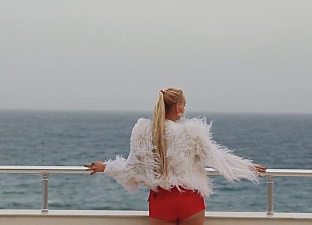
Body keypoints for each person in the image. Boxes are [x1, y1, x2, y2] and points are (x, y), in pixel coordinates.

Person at [85, 87, 267, 225]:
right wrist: (247, 167)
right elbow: (218, 158)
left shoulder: (144, 131)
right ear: (178, 107)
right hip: (190, 200)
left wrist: (106, 167)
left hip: (161, 201)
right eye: (184, 105)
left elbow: (131, 167)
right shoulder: (193, 131)